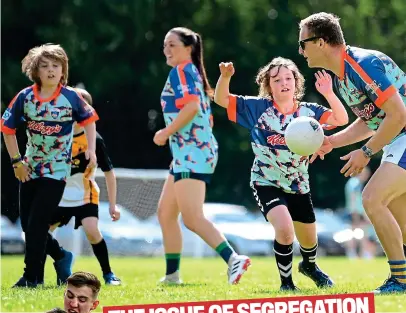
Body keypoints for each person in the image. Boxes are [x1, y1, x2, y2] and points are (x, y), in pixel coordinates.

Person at [214, 57, 348, 290]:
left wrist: (328, 92)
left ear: (296, 83)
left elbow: (341, 119)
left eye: (288, 78)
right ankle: (287, 284)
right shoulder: (257, 108)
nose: (284, 83)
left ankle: (309, 266)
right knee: (285, 230)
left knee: (308, 238)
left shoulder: (308, 112)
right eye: (277, 80)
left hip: (298, 183)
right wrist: (225, 77)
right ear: (268, 85)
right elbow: (221, 99)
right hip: (265, 181)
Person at [299, 12, 406, 293]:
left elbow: (398, 115)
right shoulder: (341, 77)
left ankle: (400, 280)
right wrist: (331, 142)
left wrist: (366, 152)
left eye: (303, 44)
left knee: (372, 198)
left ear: (321, 42)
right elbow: (371, 121)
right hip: (398, 138)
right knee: (397, 214)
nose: (301, 51)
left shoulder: (362, 65)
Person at [154, 27, 250, 285]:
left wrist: (165, 132)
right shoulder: (190, 71)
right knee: (165, 213)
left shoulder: (182, 71)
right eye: (165, 45)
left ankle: (233, 260)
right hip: (188, 152)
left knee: (192, 218)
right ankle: (172, 275)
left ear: (189, 49)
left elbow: (192, 107)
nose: (167, 50)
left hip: (192, 153)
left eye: (172, 44)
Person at [1, 44, 98, 288]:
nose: (51, 70)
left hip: (56, 172)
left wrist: (92, 149)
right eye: (45, 66)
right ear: (36, 71)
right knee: (28, 226)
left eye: (56, 65)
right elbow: (7, 129)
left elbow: (90, 119)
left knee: (37, 224)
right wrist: (16, 162)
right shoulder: (25, 97)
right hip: (28, 169)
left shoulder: (71, 97)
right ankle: (61, 256)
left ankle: (32, 278)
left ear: (63, 70)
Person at [47, 88, 122, 286]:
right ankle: (61, 258)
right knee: (36, 232)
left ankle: (108, 274)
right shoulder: (57, 136)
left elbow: (109, 173)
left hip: (85, 195)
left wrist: (113, 205)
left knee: (91, 229)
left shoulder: (95, 140)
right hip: (59, 196)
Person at [344, 166, 377, 259]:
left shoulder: (351, 182)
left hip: (353, 211)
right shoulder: (356, 183)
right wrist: (360, 214)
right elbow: (354, 198)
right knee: (362, 233)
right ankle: (360, 253)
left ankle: (354, 253)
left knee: (355, 232)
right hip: (356, 212)